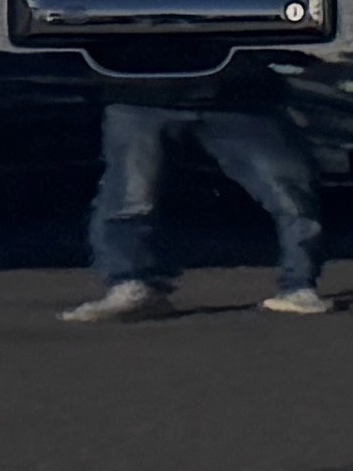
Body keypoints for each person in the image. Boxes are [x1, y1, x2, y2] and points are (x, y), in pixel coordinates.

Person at [65, 65, 329, 321]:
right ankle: (130, 284)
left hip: (237, 94)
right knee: (128, 196)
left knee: (291, 191)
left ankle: (300, 286)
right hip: (139, 90)